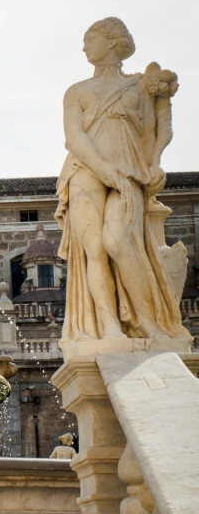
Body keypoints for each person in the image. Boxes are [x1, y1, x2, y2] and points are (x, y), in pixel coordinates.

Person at [55, 19, 184, 343]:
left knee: (118, 240)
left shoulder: (139, 87)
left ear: (113, 42)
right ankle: (110, 326)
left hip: (129, 171)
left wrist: (154, 163)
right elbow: (74, 137)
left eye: (91, 38)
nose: (85, 46)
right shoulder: (77, 91)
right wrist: (102, 168)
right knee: (94, 248)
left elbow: (154, 132)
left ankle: (145, 322)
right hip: (85, 171)